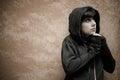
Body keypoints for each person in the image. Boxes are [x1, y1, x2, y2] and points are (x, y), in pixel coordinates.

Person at [61, 6, 116, 80]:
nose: (94, 23)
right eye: (87, 20)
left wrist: (104, 45)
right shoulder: (69, 41)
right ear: (78, 24)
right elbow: (70, 68)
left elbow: (111, 68)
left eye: (94, 20)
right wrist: (93, 52)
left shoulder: (98, 40)